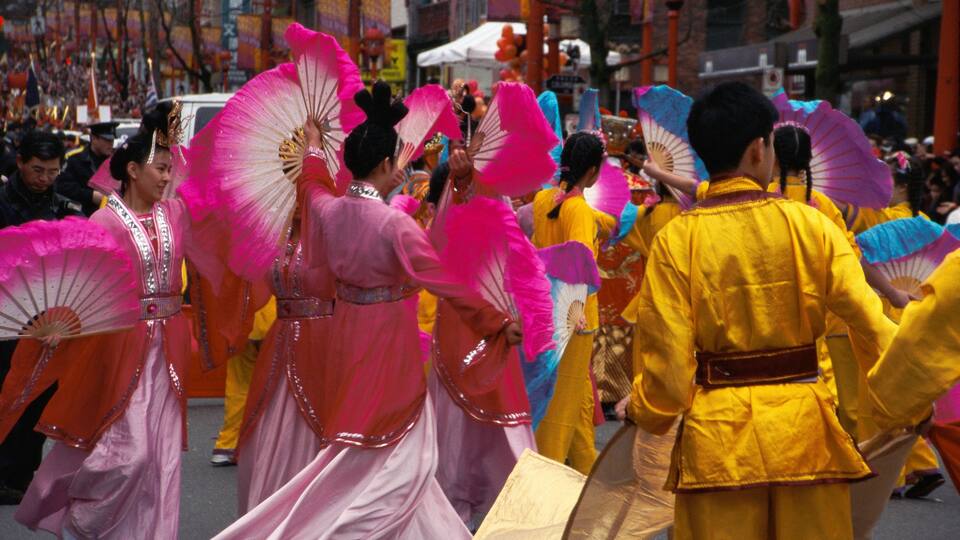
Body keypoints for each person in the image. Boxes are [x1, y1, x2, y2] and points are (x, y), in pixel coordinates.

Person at [214, 81, 520, 539]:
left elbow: (312, 181)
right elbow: (445, 280)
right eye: (397, 159)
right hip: (388, 349)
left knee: (362, 454)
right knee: (405, 464)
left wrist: (315, 147)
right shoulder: (393, 224)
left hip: (346, 341)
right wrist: (496, 322)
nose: (401, 166)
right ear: (383, 163)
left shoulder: (330, 211)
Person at [616, 82, 896, 539]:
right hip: (807, 438)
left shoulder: (676, 240)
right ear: (757, 149)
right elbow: (873, 326)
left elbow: (667, 368)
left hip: (718, 446)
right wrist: (907, 402)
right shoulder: (812, 226)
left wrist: (645, 408)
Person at [5, 104, 194, 538]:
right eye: (160, 169)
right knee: (127, 456)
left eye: (170, 169)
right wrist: (57, 327)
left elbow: (209, 198)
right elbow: (80, 285)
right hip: (120, 349)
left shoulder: (175, 214)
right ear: (131, 170)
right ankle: (84, 523)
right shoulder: (104, 221)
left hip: (167, 352)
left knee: (161, 459)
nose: (168, 177)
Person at [0, 131, 81, 505]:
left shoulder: (66, 208)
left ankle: (23, 472)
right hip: (5, 317)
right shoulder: (2, 204)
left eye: (52, 171)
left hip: (47, 319)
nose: (45, 178)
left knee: (39, 397)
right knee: (5, 392)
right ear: (20, 163)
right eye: (37, 170)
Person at [531, 131, 606, 475]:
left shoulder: (544, 200)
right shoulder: (578, 210)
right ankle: (544, 482)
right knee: (562, 407)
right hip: (576, 319)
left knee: (577, 401)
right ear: (593, 172)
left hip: (549, 311)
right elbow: (580, 264)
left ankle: (588, 474)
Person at [55, 121, 118, 216]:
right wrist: (91, 195)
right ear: (93, 138)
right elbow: (62, 186)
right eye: (107, 140)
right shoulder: (74, 159)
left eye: (112, 141)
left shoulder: (115, 161)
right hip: (82, 215)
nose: (111, 144)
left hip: (109, 216)